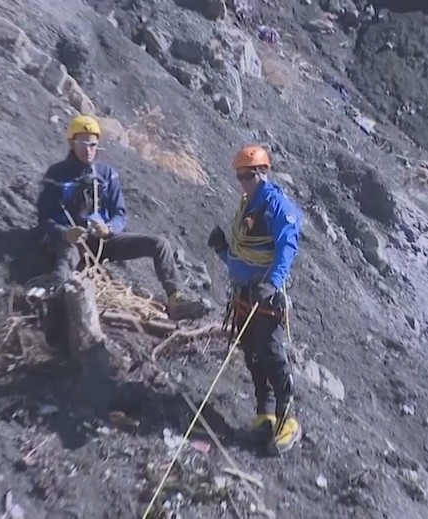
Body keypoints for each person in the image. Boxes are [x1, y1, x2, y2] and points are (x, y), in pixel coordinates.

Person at [36, 115, 209, 321]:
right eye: (82, 144)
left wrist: (109, 229)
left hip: (103, 240)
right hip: (72, 240)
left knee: (159, 244)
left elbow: (119, 214)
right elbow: (45, 217)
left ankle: (176, 299)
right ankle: (55, 296)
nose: (88, 150)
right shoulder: (56, 174)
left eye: (93, 144)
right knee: (68, 257)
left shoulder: (106, 174)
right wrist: (65, 233)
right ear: (71, 143)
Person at [207, 145, 303, 455]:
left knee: (272, 354)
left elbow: (287, 246)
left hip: (264, 296)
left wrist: (272, 284)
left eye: (247, 176)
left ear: (263, 172)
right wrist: (223, 250)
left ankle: (287, 420)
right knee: (253, 354)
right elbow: (242, 255)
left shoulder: (277, 207)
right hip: (244, 295)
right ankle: (266, 413)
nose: (243, 182)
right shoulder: (247, 206)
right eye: (239, 177)